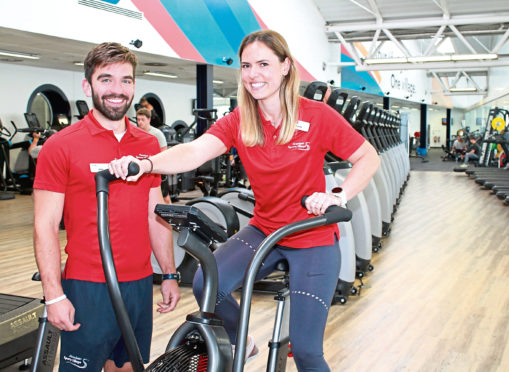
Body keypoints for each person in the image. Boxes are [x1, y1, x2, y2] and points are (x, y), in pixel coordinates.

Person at [109, 30, 380, 371]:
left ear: (286, 67)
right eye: (247, 66)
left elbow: (368, 157)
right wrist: (147, 164)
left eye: (264, 64)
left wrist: (337, 194)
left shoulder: (317, 116)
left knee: (308, 351)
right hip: (264, 231)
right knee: (206, 282)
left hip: (312, 238)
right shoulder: (241, 119)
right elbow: (195, 151)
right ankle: (242, 341)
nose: (254, 74)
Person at [33, 42, 180, 372]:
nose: (117, 90)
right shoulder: (61, 145)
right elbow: (44, 226)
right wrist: (54, 295)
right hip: (88, 286)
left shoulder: (148, 144)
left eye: (126, 80)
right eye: (106, 79)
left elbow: (154, 213)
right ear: (88, 85)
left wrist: (168, 272)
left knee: (128, 367)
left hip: (140, 282)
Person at [136, 107, 171, 204]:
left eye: (142, 120)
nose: (140, 122)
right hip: (142, 170)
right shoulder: (136, 133)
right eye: (138, 119)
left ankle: (169, 218)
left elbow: (164, 153)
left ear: (149, 119)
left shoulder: (157, 134)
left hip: (156, 170)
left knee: (165, 198)